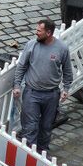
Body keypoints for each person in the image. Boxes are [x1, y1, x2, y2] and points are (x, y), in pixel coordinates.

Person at [12, 19, 73, 154]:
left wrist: (66, 89)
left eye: (39, 31)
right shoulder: (31, 45)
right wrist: (17, 85)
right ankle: (29, 154)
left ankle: (42, 153)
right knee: (31, 127)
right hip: (31, 93)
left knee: (46, 127)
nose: (36, 33)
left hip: (51, 95)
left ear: (49, 33)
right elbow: (21, 67)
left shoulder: (62, 49)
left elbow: (67, 71)